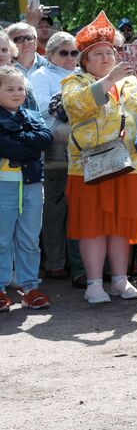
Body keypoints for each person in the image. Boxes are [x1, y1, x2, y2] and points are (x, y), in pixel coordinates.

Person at [60, 11, 137, 304]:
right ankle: (94, 283)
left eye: (111, 51)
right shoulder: (74, 80)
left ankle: (120, 280)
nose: (107, 57)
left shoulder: (129, 81)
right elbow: (76, 105)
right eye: (99, 53)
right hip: (90, 165)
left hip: (131, 164)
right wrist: (109, 79)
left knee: (122, 224)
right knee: (93, 225)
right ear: (85, 60)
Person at [0, 65, 53, 309]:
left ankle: (30, 287)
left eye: (20, 88)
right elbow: (8, 148)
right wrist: (28, 143)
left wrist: (19, 138)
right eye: (9, 88)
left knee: (30, 239)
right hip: (4, 187)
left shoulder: (33, 115)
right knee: (2, 240)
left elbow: (46, 140)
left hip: (32, 185)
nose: (17, 92)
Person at [32, 32, 81, 279]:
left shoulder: (82, 73)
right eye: (64, 52)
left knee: (77, 207)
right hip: (55, 146)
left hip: (81, 150)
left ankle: (79, 263)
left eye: (74, 52)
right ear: (49, 54)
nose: (71, 57)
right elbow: (41, 110)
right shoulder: (40, 75)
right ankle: (54, 261)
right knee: (55, 206)